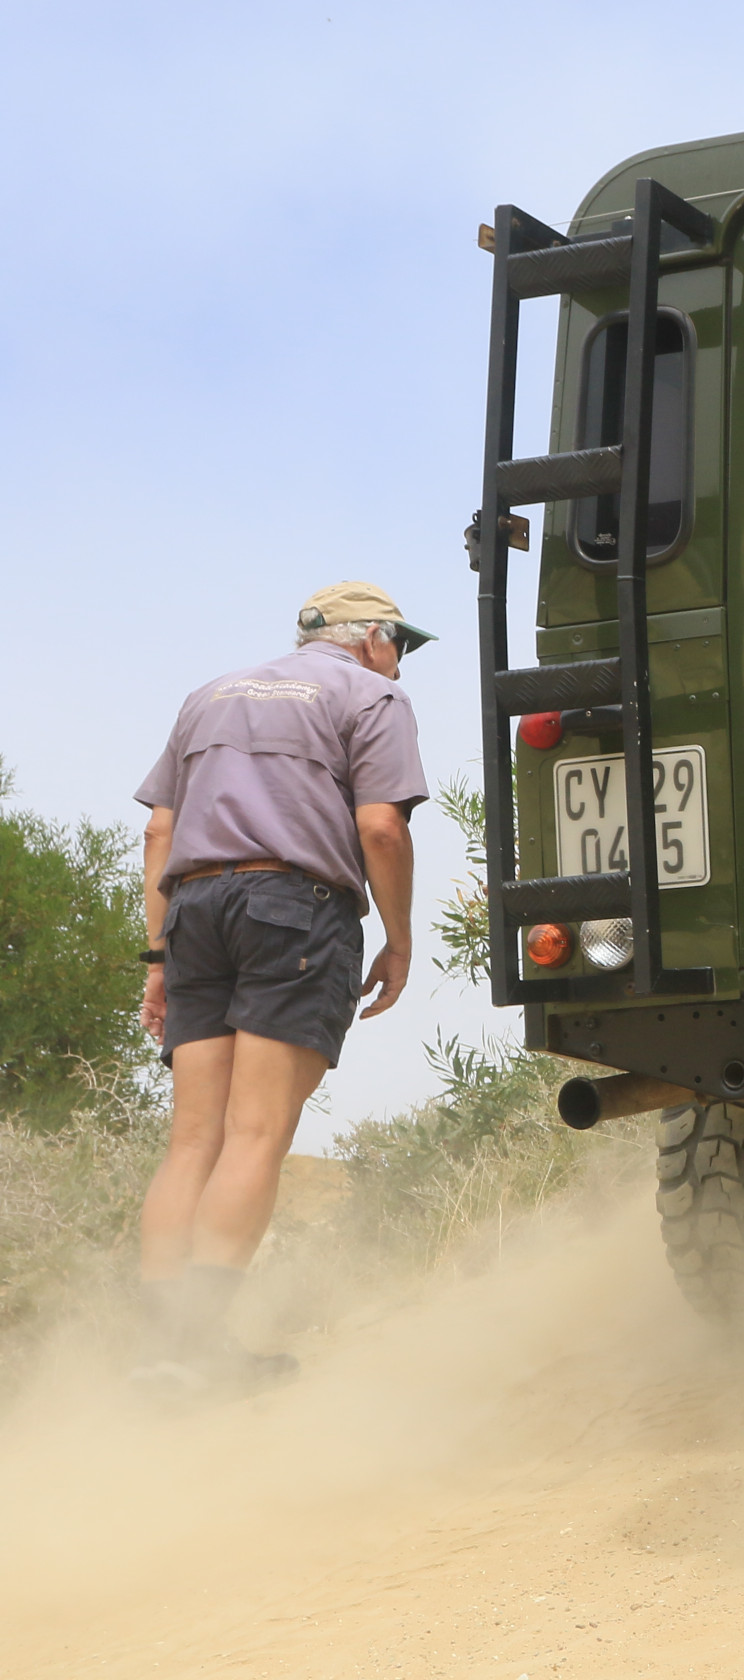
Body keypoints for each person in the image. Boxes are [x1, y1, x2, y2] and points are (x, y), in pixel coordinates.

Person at [130, 583, 433, 1396]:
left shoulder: (210, 695)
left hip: (194, 910)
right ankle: (199, 1353)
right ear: (370, 637)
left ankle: (160, 1350)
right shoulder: (374, 697)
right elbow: (380, 827)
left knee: (193, 1139)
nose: (402, 660)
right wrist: (399, 940)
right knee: (257, 1132)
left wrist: (158, 956)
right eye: (401, 641)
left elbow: (160, 830)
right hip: (291, 909)